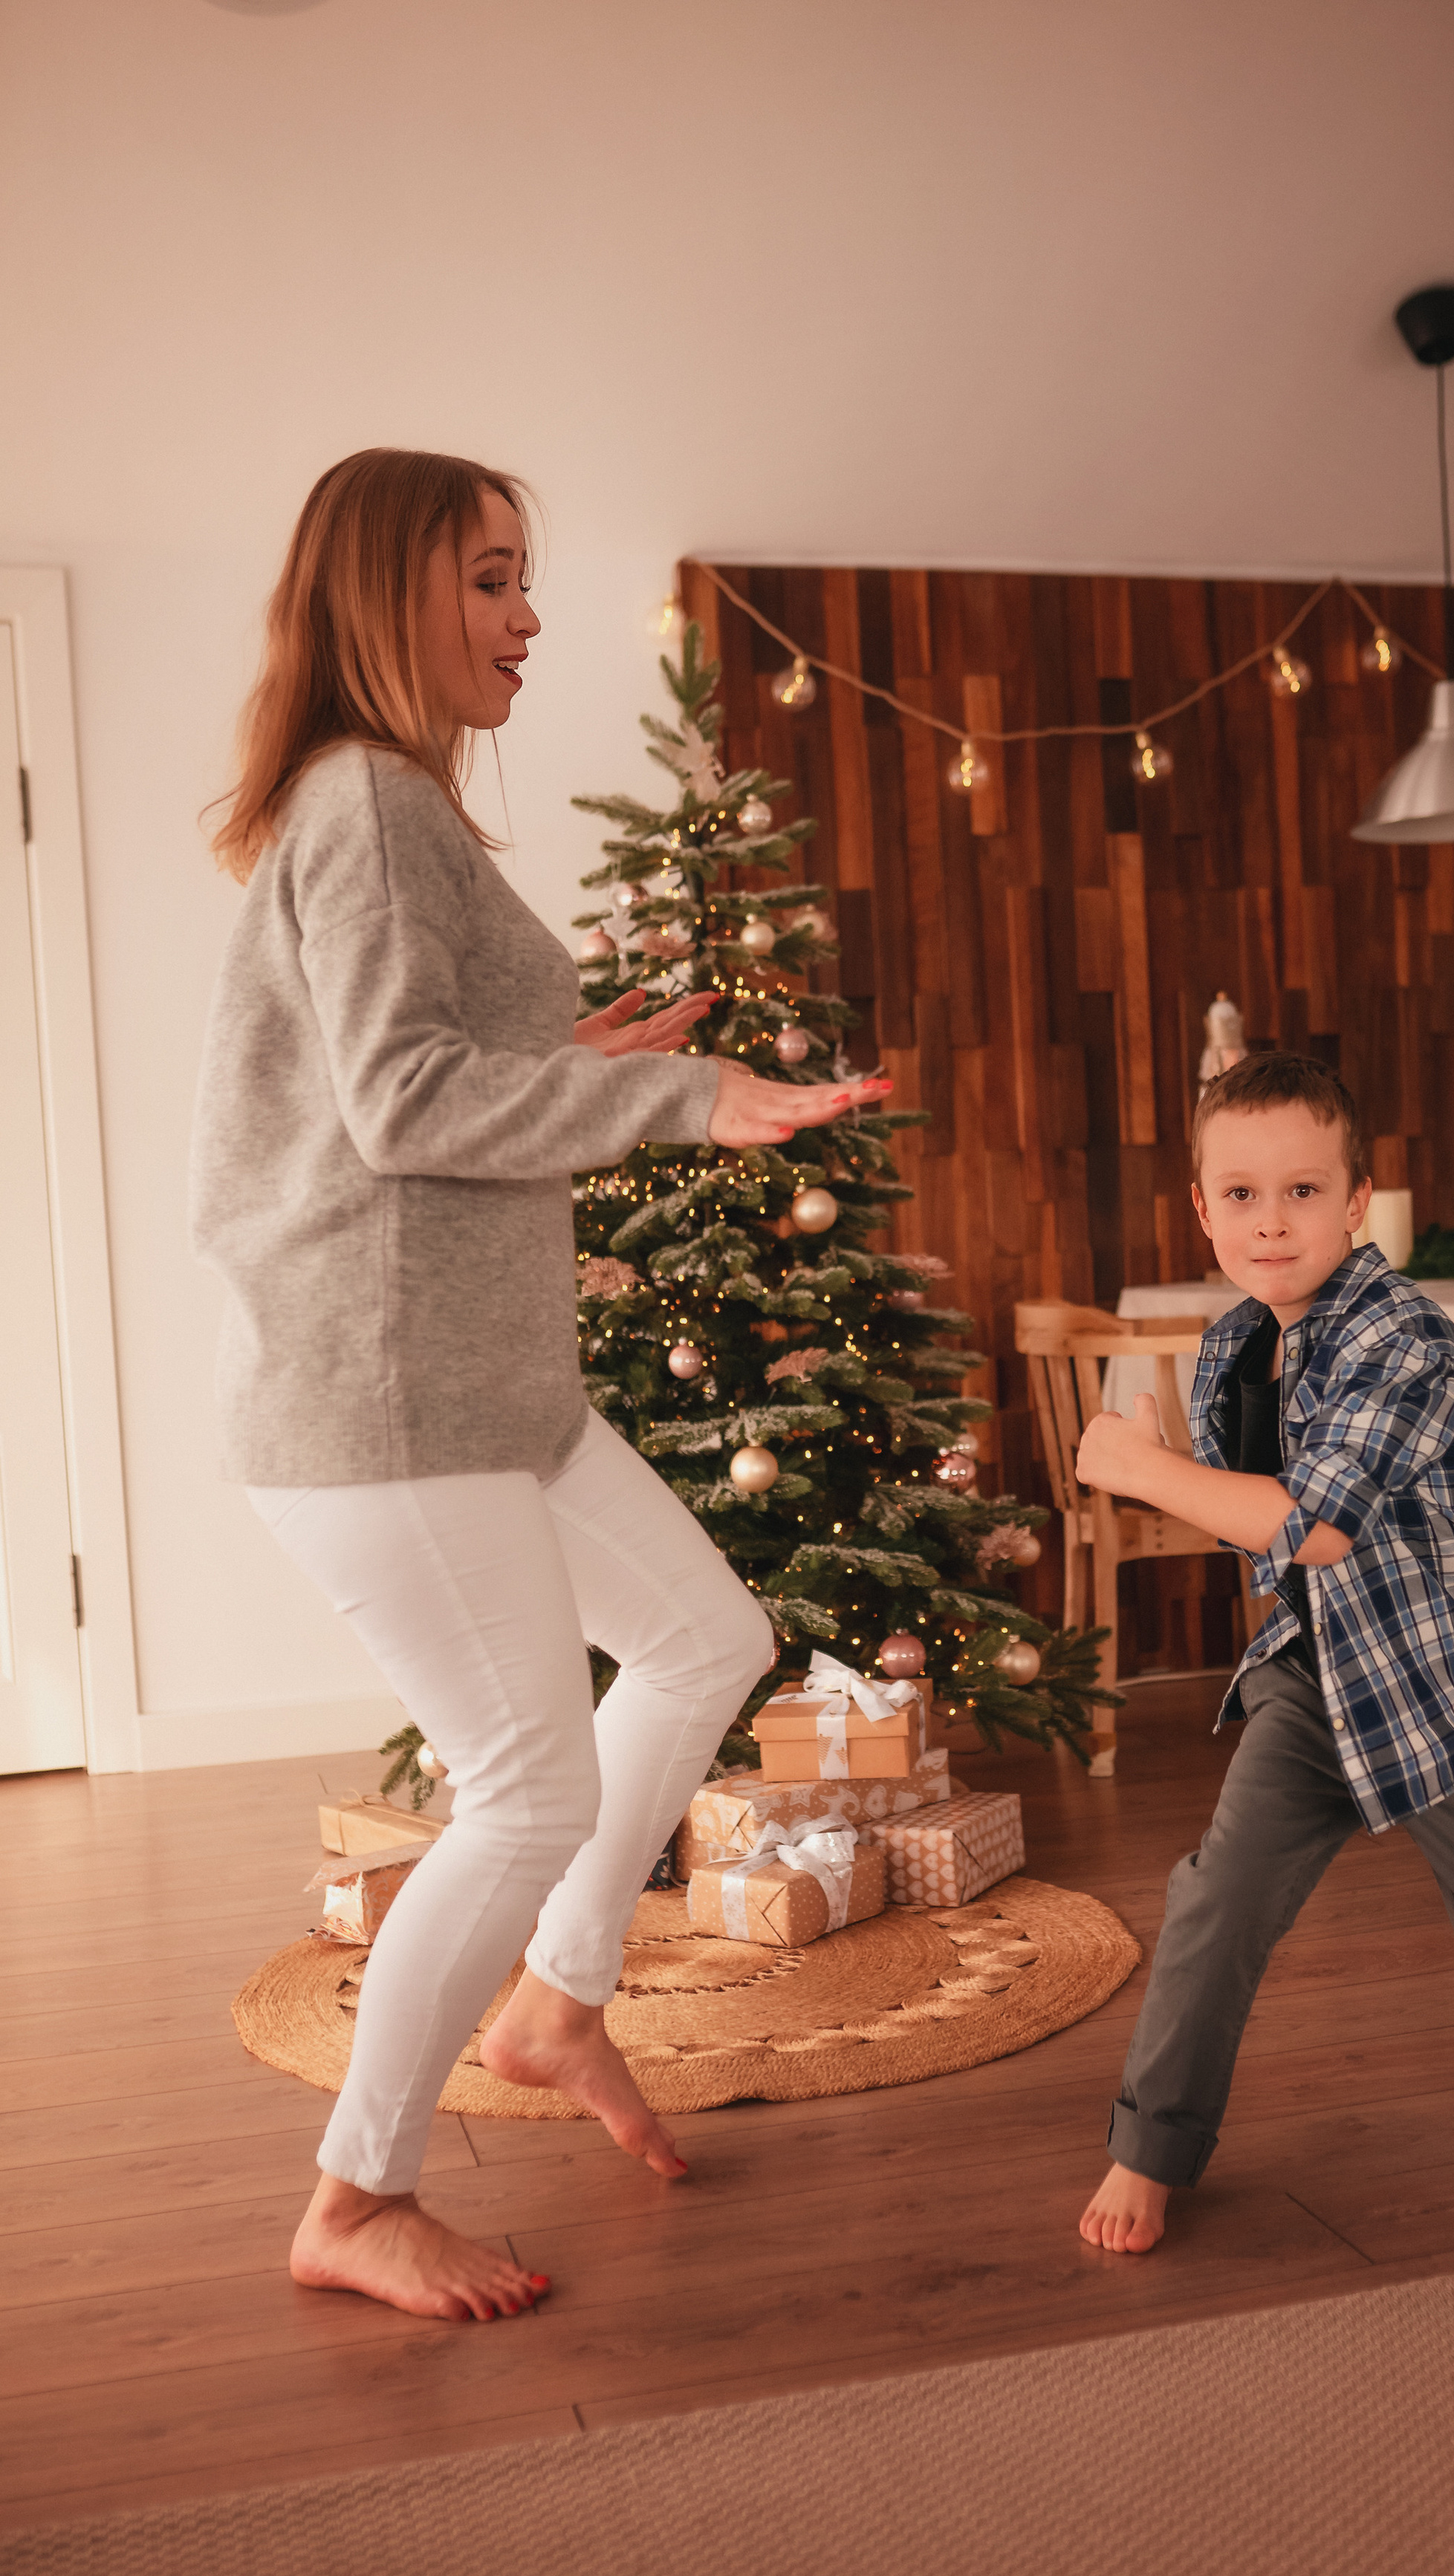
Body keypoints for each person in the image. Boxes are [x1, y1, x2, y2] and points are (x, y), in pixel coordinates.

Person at [191, 448, 890, 2322]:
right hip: (388, 1398)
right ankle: (357, 2198)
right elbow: (400, 1105)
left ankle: (556, 2002)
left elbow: (412, 1083)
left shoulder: (390, 808)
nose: (526, 615)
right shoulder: (363, 803)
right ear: (392, 595)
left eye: (524, 577)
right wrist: (670, 1096)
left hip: (485, 1385)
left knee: (702, 1638)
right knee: (520, 1782)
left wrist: (573, 1049)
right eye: (490, 579)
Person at [1074, 1050, 1454, 2255]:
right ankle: (1152, 2145)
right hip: (1324, 1671)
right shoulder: (1239, 1339)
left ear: (1356, 1202)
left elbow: (1318, 1527)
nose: (1270, 1221)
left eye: (1301, 1192)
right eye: (1239, 1195)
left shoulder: (1408, 1342)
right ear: (1201, 1209)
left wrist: (1144, 1472)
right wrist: (1179, 1467)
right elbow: (1281, 1534)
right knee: (1216, 1902)